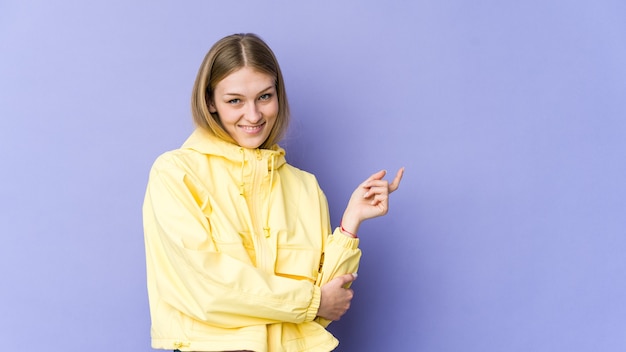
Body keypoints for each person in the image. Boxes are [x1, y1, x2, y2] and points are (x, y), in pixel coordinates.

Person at [143, 33, 404, 352]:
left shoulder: (304, 187)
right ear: (210, 101)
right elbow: (205, 289)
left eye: (264, 97)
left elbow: (326, 308)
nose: (253, 116)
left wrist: (351, 222)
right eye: (234, 100)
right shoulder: (176, 173)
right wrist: (312, 301)